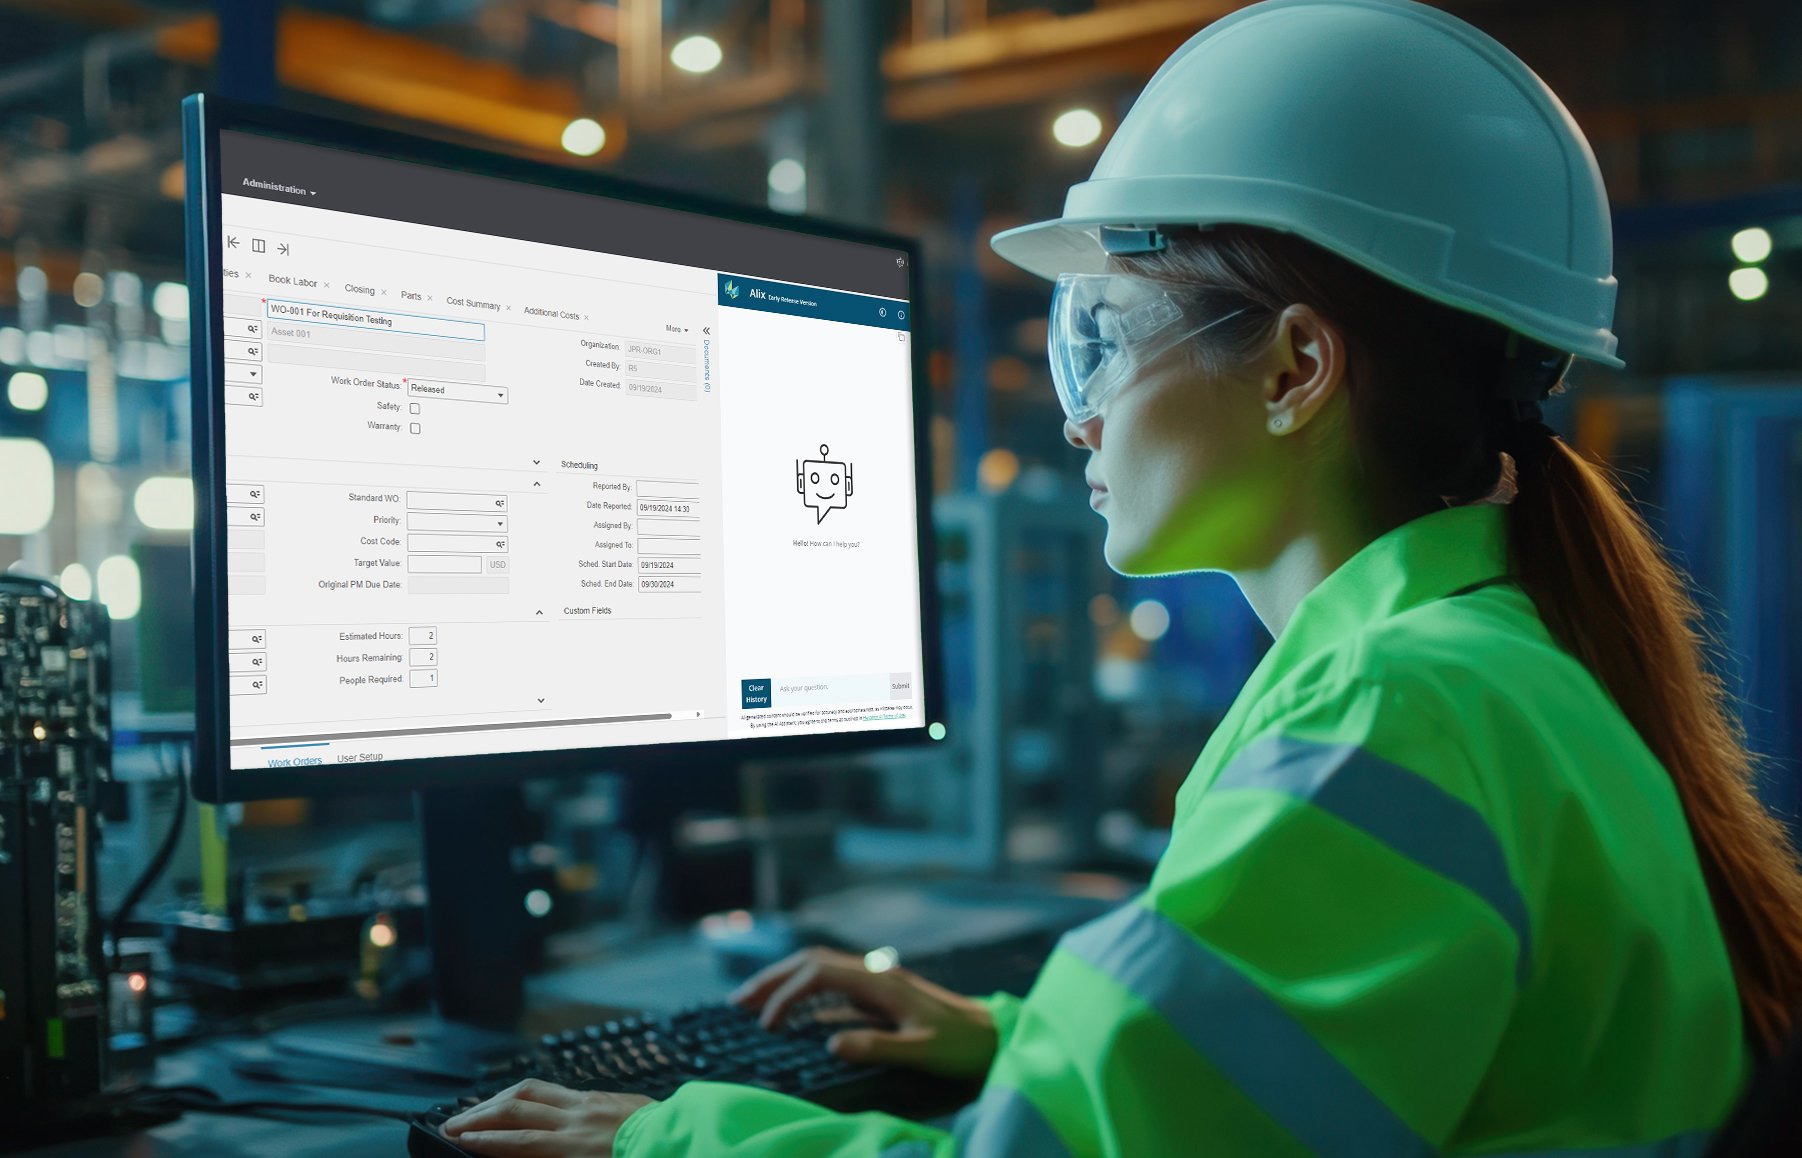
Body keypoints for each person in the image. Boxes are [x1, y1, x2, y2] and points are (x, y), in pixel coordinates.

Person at [441, 0, 1802, 1153]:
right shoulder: (1501, 662)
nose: (1079, 414)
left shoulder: (1397, 716)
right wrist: (1015, 1035)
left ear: (1294, 369)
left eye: (1109, 337)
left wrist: (664, 1129)